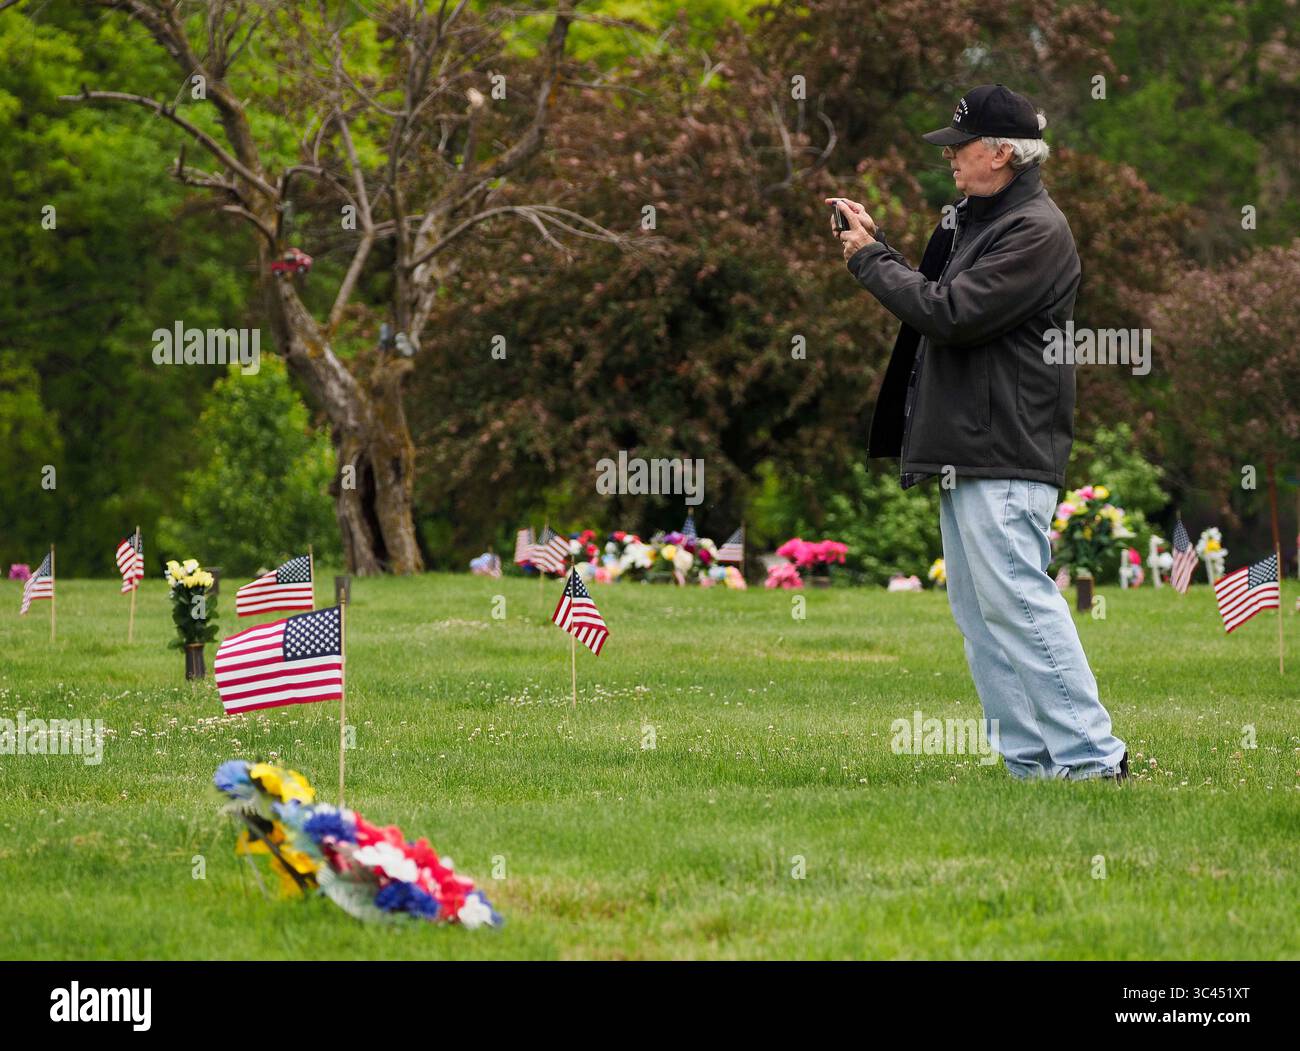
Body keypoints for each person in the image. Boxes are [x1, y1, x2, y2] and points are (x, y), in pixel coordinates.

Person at [828, 84, 1127, 782]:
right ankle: (1031, 763)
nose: (951, 157)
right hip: (968, 449)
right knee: (982, 616)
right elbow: (935, 295)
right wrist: (879, 247)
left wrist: (869, 261)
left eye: (961, 146)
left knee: (1019, 602)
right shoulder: (980, 220)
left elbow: (952, 312)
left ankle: (1091, 758)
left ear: (1000, 153)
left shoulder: (1035, 230)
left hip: (1005, 449)